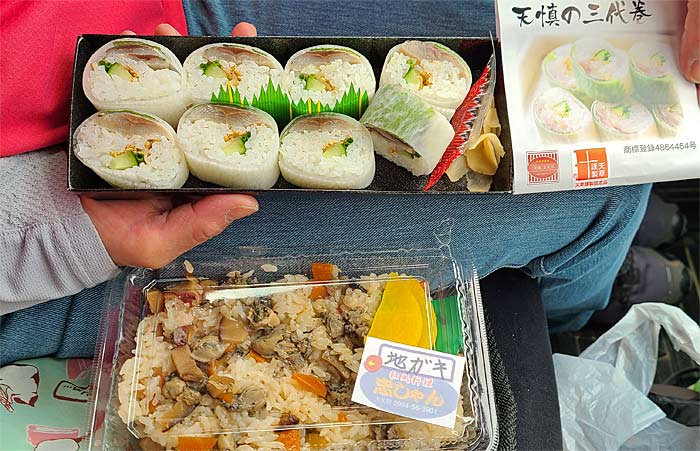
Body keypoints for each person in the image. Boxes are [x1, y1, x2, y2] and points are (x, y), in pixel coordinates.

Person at [0, 0, 698, 366]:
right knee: (602, 194)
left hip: (133, 26)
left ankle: (582, 261)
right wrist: (61, 234)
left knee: (554, 42)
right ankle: (576, 305)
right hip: (51, 223)